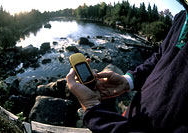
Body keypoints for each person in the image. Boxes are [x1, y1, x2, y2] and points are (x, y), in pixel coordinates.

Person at [66, 0, 188, 132]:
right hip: (133, 114)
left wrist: (93, 109)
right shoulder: (183, 16)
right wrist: (129, 80)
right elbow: (161, 56)